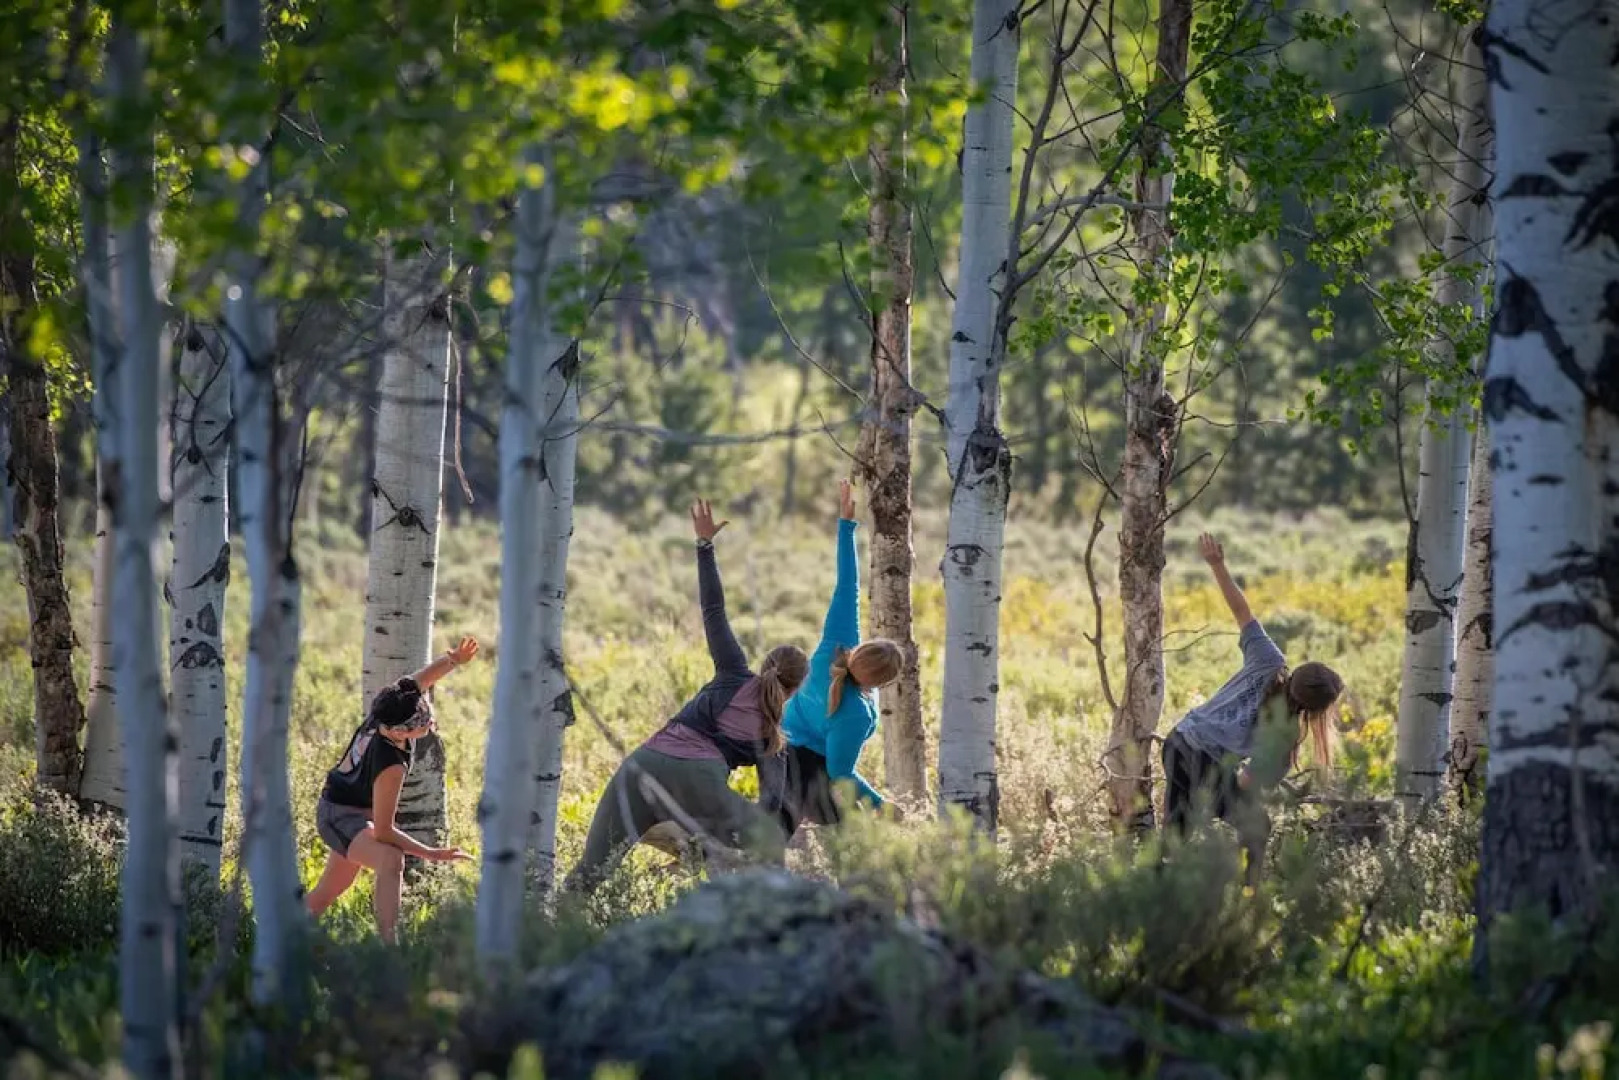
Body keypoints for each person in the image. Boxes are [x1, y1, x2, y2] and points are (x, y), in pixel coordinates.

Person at [562, 499, 809, 895]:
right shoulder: (772, 738)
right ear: (795, 690)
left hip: (640, 766)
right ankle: (765, 920)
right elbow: (771, 804)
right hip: (699, 780)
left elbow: (714, 610)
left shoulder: (732, 673)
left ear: (765, 666)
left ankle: (542, 929)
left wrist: (704, 545)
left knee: (590, 873)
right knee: (764, 843)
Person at [1160, 533, 1343, 885]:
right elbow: (1245, 781)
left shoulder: (1269, 660)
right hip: (1202, 760)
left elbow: (1241, 611)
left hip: (1178, 739)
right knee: (1258, 829)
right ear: (1316, 712)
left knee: (1176, 829)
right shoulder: (1284, 731)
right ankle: (1247, 901)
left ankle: (1157, 891)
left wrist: (1217, 564)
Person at [305, 636, 480, 942]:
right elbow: (384, 831)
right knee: (391, 860)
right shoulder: (392, 764)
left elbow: (420, 680)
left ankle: (275, 940)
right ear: (400, 731)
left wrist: (453, 660)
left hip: (343, 810)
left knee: (325, 895)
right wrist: (431, 853)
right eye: (422, 722)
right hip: (340, 817)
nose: (429, 721)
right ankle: (390, 949)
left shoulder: (386, 707)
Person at [769, 478, 903, 837]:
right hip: (805, 767)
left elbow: (847, 585)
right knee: (844, 838)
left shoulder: (836, 644)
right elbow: (841, 771)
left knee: (771, 835)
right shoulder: (854, 715)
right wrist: (880, 804)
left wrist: (846, 523)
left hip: (773, 747)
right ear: (881, 682)